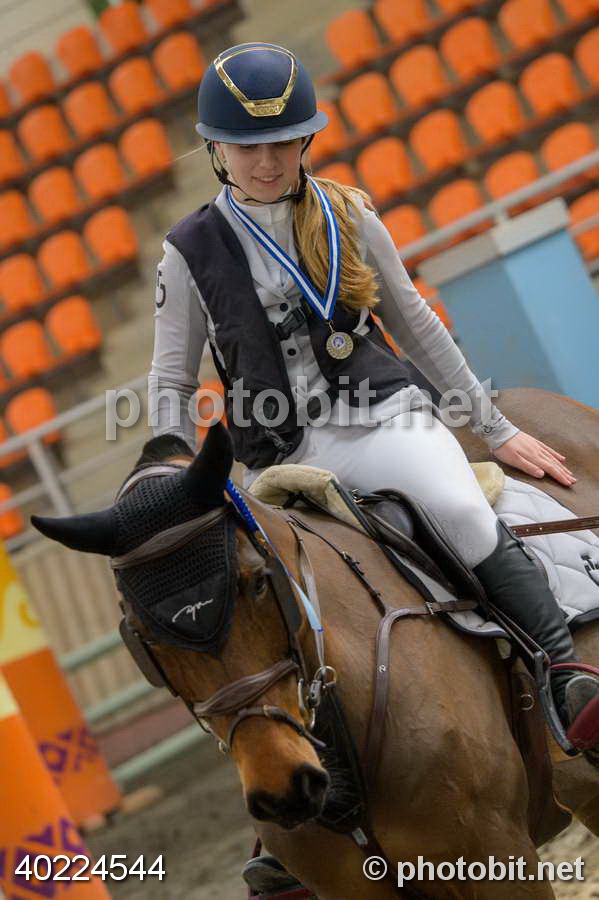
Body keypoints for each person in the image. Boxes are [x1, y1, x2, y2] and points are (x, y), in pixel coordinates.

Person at [149, 41, 599, 894]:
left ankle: (562, 675)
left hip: (381, 421)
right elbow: (170, 382)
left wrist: (493, 428)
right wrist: (170, 477)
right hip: (278, 453)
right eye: (247, 146)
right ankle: (279, 824)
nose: (267, 160)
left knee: (459, 514)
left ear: (305, 139)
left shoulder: (346, 213)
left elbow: (417, 325)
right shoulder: (188, 250)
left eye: (284, 141)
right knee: (256, 610)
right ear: (215, 149)